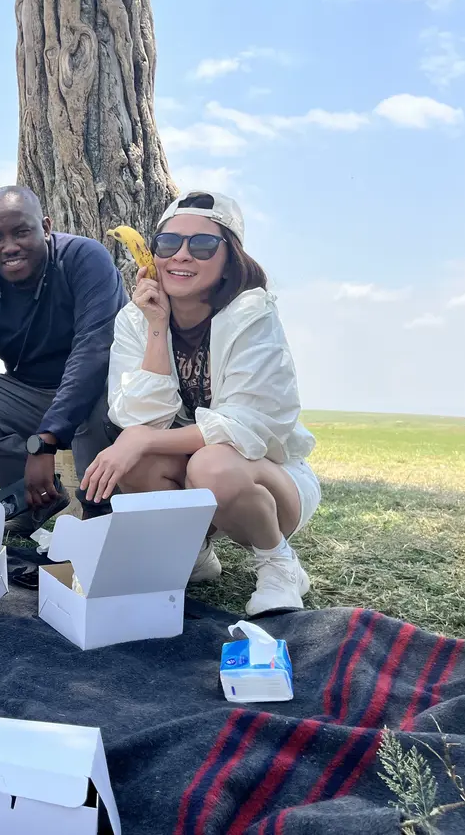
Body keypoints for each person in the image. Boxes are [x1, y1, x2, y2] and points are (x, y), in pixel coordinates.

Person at [82, 190, 319, 616]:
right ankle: (194, 554)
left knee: (211, 464)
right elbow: (138, 417)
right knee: (136, 460)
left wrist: (142, 440)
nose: (182, 255)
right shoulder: (136, 318)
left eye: (204, 244)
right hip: (191, 470)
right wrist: (157, 327)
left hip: (264, 477)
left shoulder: (252, 313)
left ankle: (279, 563)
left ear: (230, 258)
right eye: (168, 243)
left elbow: (249, 426)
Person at [0, 185, 128, 533]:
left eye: (21, 232)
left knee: (101, 400)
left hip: (102, 387)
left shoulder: (86, 259)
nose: (9, 246)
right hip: (35, 394)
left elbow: (93, 352)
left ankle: (102, 513)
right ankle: (36, 496)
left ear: (46, 227)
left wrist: (45, 442)